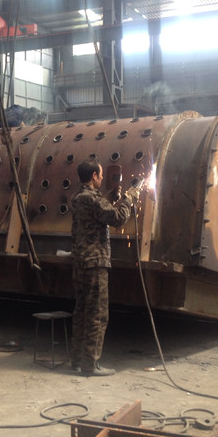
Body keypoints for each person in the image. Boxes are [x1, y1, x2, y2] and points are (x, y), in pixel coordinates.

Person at [70, 157, 141, 376]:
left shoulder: (78, 197)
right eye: (100, 175)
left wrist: (110, 198)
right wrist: (129, 199)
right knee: (97, 315)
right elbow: (118, 219)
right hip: (95, 263)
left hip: (80, 262)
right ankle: (90, 365)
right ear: (94, 176)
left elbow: (98, 213)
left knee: (82, 313)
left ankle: (77, 361)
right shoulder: (92, 199)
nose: (102, 178)